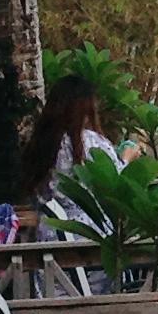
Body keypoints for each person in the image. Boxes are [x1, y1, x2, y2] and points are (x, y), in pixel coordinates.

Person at [13, 72, 119, 224]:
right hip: (90, 230)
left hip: (49, 230)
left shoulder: (43, 141)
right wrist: (127, 158)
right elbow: (116, 181)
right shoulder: (91, 141)